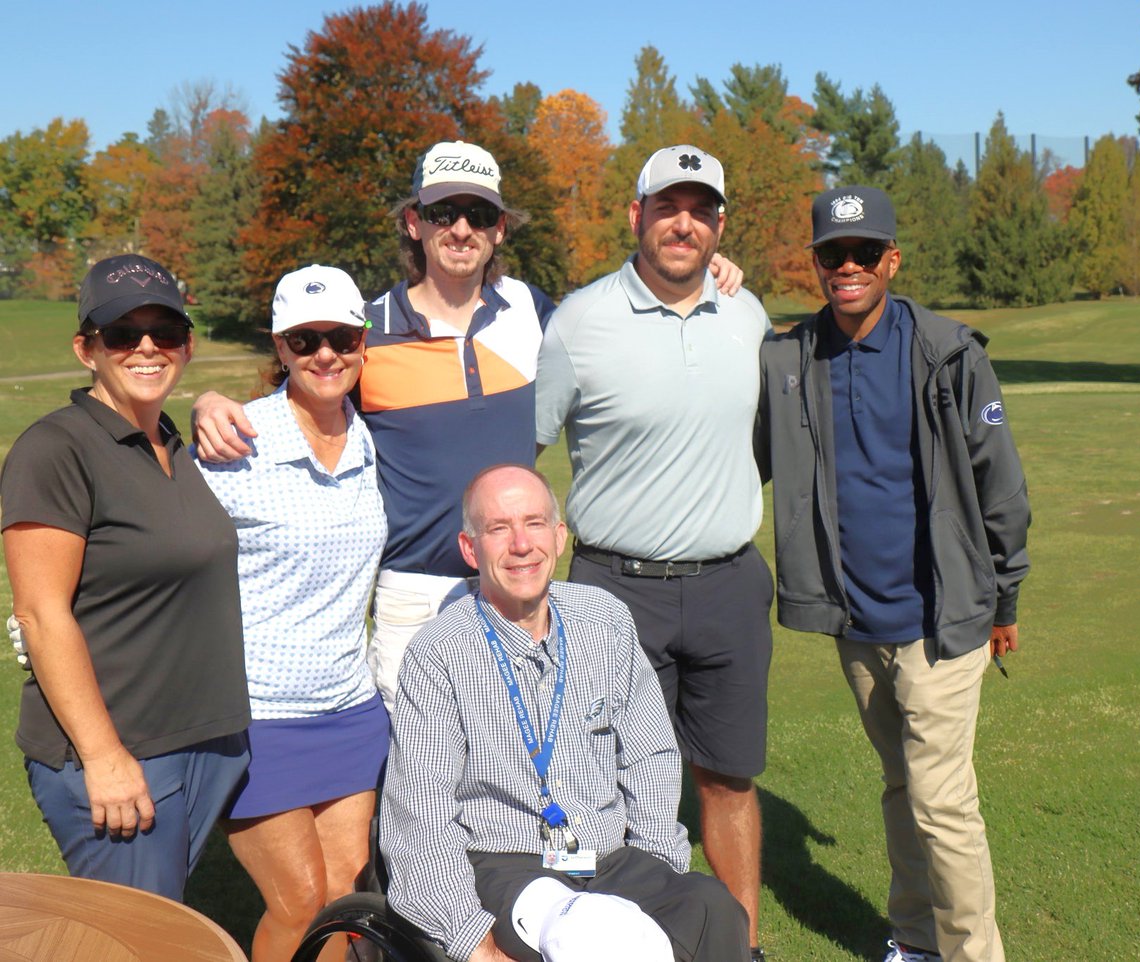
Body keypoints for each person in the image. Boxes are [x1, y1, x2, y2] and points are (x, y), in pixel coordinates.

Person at [191, 140, 744, 713]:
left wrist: (700, 273)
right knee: (418, 782)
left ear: (500, 229)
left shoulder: (532, 310)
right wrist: (210, 402)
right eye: (441, 213)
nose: (460, 229)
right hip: (413, 594)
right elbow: (300, 397)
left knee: (519, 779)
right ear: (414, 223)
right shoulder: (366, 329)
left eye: (478, 215)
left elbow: (624, 320)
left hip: (515, 584)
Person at [756, 186, 1031, 962]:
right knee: (904, 790)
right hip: (857, 626)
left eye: (864, 253)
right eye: (832, 254)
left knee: (943, 804)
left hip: (942, 620)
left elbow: (1000, 488)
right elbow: (745, 457)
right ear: (814, 263)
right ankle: (914, 941)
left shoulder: (948, 352)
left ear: (892, 260)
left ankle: (974, 955)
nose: (848, 267)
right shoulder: (790, 356)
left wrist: (1006, 596)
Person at [535, 145, 773, 959]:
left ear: (719, 226)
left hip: (729, 586)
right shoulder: (578, 321)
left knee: (729, 778)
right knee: (600, 780)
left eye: (700, 209)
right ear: (634, 216)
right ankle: (603, 941)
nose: (683, 223)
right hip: (612, 587)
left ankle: (737, 944)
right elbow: (524, 449)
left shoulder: (747, 312)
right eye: (667, 206)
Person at [379, 464, 749, 962]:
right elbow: (418, 816)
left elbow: (650, 754)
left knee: (713, 908)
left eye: (534, 523)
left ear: (558, 537)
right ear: (471, 549)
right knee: (588, 936)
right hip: (506, 867)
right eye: (498, 528)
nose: (520, 545)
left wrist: (655, 857)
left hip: (611, 858)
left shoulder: (604, 619)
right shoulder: (439, 654)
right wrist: (473, 944)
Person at [0, 254, 250, 901]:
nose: (146, 347)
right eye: (121, 333)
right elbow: (39, 613)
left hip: (202, 745)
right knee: (138, 943)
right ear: (87, 349)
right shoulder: (56, 449)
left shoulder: (173, 444)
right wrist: (105, 757)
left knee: (154, 930)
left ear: (187, 346)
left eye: (164, 332)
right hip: (122, 756)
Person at [195, 265, 389, 962]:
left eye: (339, 335)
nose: (325, 354)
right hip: (261, 714)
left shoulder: (372, 439)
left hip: (351, 709)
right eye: (305, 340)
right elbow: (157, 536)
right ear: (279, 348)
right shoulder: (236, 444)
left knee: (342, 897)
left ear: (363, 340)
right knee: (298, 900)